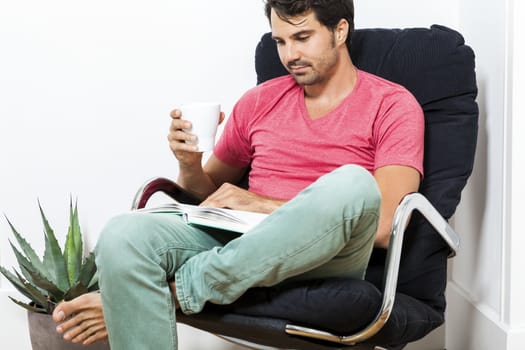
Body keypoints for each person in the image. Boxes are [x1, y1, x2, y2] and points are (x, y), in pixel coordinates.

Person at [52, 0, 424, 348]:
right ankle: (185, 287)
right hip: (243, 244)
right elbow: (206, 194)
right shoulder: (259, 100)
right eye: (280, 41)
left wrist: (262, 204)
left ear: (340, 31)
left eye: (302, 37)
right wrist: (189, 163)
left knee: (352, 183)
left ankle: (180, 291)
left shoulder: (392, 105)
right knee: (123, 232)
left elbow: (385, 224)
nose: (290, 55)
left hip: (328, 251)